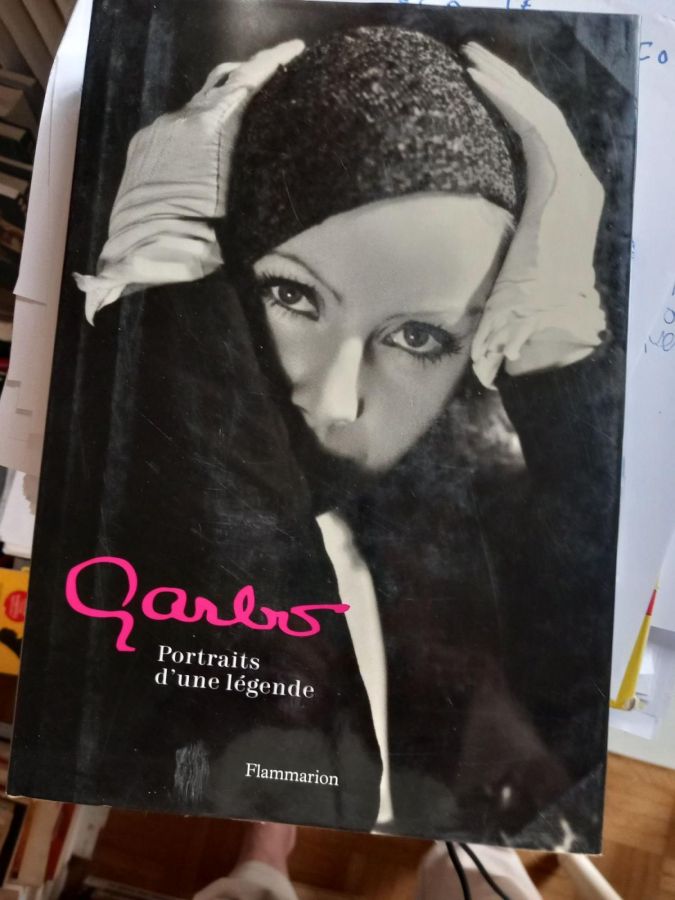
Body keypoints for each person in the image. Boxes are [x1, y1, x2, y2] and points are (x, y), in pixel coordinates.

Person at [75, 25, 621, 849]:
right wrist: (164, 304)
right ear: (224, 261)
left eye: (418, 337)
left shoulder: (491, 547)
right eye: (293, 296)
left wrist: (557, 356)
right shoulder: (118, 482)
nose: (331, 401)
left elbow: (585, 748)